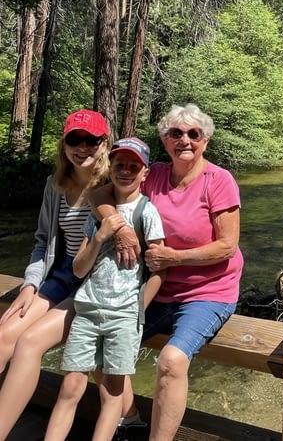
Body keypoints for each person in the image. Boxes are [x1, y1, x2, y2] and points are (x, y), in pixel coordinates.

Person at [91, 103, 243, 441]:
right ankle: (131, 420)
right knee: (98, 351)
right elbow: (99, 193)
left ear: (206, 140)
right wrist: (118, 228)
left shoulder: (219, 181)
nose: (185, 140)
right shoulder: (154, 174)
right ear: (165, 139)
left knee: (171, 362)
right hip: (157, 289)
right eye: (176, 133)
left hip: (209, 291)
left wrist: (174, 257)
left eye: (194, 134)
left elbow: (227, 246)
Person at [44, 137, 165, 441]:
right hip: (86, 310)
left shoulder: (147, 213)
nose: (126, 171)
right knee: (70, 386)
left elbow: (159, 269)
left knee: (112, 392)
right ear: (110, 167)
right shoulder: (97, 213)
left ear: (144, 173)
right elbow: (78, 268)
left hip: (124, 316)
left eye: (133, 166)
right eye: (120, 164)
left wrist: (138, 309)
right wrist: (100, 237)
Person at [0, 109, 110, 441]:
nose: (82, 147)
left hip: (94, 283)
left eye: (91, 140)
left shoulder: (111, 186)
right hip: (60, 275)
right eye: (74, 140)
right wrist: (30, 284)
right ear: (64, 145)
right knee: (4, 335)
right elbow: (42, 241)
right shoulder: (55, 185)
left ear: (103, 144)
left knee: (30, 343)